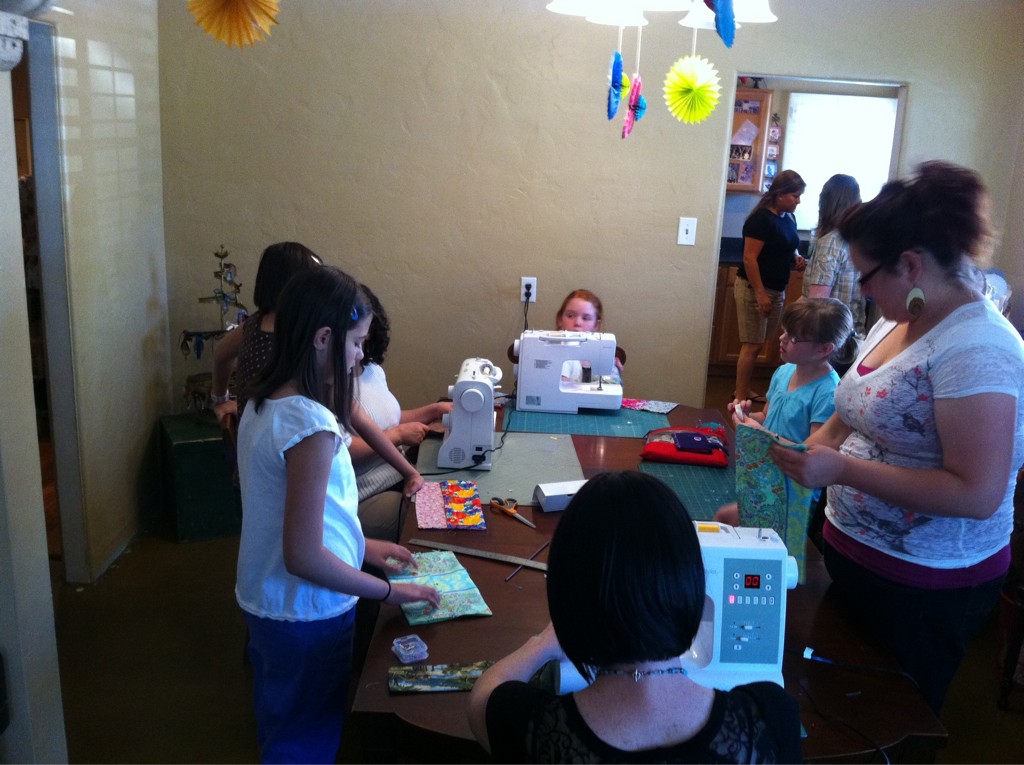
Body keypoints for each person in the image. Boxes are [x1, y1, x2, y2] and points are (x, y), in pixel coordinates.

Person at [769, 160, 1024, 714]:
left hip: (925, 590)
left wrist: (840, 470)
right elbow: (852, 411)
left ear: (909, 265)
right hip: (853, 555)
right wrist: (809, 451)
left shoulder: (979, 347)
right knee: (836, 706)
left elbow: (976, 494)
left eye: (864, 275)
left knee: (891, 720)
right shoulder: (895, 319)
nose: (858, 288)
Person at [235, 266, 441, 764]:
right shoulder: (312, 426)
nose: (359, 357)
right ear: (324, 338)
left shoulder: (265, 403)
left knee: (284, 725)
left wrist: (363, 547)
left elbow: (296, 518)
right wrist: (392, 593)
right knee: (309, 738)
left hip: (270, 602)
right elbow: (304, 555)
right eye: (356, 344)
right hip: (308, 610)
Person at [467, 470, 801, 763]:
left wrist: (541, 643)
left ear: (567, 599)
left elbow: (484, 694)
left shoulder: (533, 730)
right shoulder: (769, 720)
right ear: (689, 583)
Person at [716, 297, 857, 527]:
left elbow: (811, 454)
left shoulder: (828, 391)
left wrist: (760, 433)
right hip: (767, 476)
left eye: (793, 337)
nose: (781, 339)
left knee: (725, 518)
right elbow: (767, 417)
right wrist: (746, 417)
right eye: (784, 331)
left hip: (795, 494)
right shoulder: (783, 372)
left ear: (824, 349)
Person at [349, 284, 452, 542]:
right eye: (356, 341)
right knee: (438, 521)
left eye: (363, 341)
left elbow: (388, 419)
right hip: (368, 494)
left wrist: (433, 410)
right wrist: (395, 436)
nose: (361, 350)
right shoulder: (334, 389)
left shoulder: (371, 370)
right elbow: (345, 451)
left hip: (396, 477)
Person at [210, 241, 322, 424]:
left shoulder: (255, 323)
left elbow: (220, 353)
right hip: (285, 436)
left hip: (253, 435)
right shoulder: (298, 331)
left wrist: (221, 398)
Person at [733, 170, 807, 403]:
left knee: (760, 343)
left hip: (777, 289)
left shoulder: (788, 218)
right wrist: (760, 294)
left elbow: (788, 244)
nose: (798, 200)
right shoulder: (760, 220)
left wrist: (795, 257)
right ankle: (740, 396)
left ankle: (744, 390)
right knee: (752, 345)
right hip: (754, 289)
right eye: (795, 196)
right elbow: (749, 258)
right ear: (780, 195)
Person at [802, 174, 867, 354]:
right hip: (852, 334)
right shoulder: (857, 239)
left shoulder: (830, 242)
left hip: (826, 337)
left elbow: (818, 300)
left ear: (826, 203)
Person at [554, 289, 624, 384]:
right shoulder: (556, 349)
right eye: (570, 316)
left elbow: (612, 385)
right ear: (560, 319)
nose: (577, 323)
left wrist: (612, 370)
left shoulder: (599, 353)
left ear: (596, 325)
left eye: (586, 318)